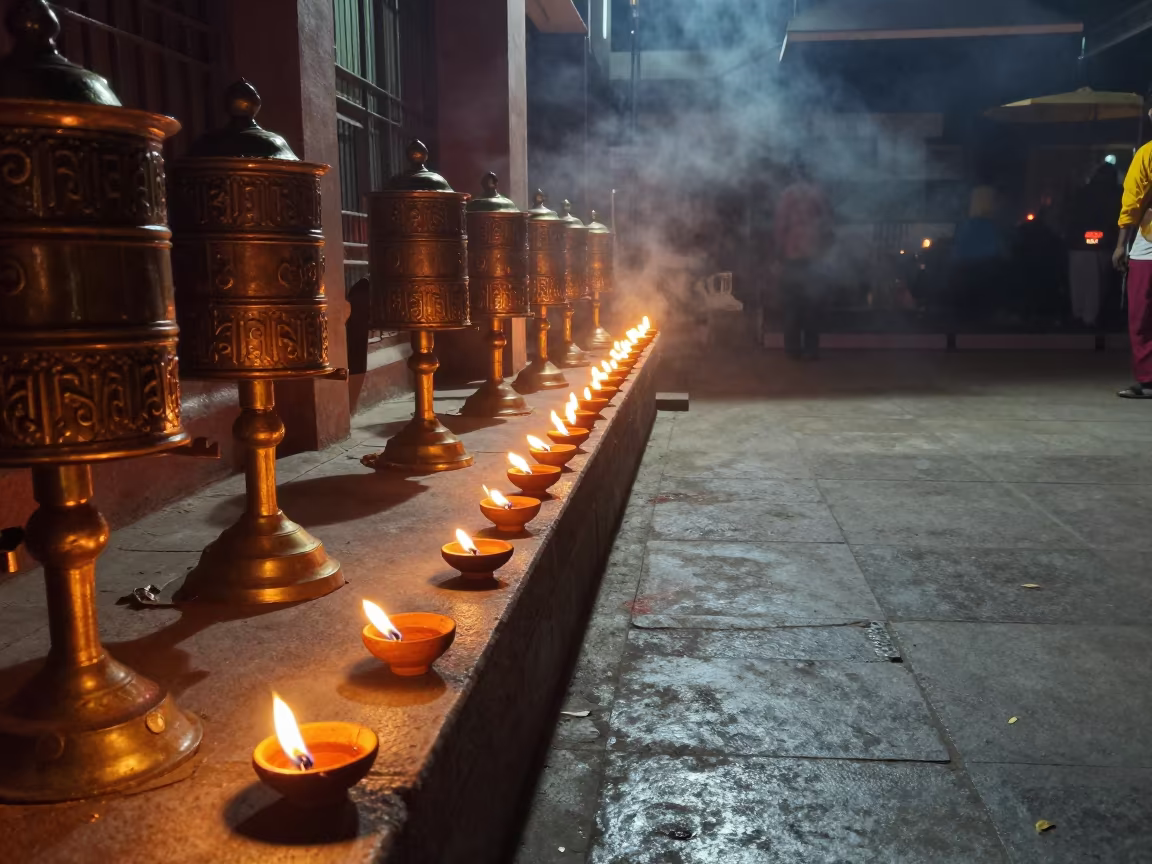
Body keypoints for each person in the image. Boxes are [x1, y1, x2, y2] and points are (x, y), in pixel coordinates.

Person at [773, 163, 832, 359]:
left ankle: (792, 350)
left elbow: (781, 225)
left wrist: (778, 252)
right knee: (812, 305)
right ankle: (811, 349)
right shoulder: (818, 195)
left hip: (793, 255)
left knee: (792, 305)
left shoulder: (787, 195)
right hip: (814, 256)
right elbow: (826, 225)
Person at [1114, 125, 1152, 397]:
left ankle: (1149, 380)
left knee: (1141, 317)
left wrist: (1119, 245)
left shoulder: (1148, 153)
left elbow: (1133, 200)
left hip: (1148, 247)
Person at [1069, 162, 1121, 327]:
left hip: (1077, 244)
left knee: (1079, 282)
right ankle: (1089, 319)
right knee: (1096, 284)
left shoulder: (1082, 192)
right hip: (1100, 245)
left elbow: (1070, 216)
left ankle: (1078, 315)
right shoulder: (1115, 194)